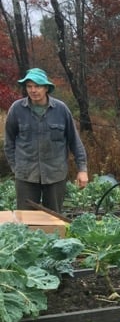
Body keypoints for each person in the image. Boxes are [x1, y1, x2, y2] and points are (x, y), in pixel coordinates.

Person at [4, 67, 89, 213]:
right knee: (26, 218)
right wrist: (15, 167)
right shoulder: (17, 109)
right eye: (29, 86)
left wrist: (82, 169)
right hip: (26, 176)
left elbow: (74, 141)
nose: (33, 90)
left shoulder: (61, 110)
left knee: (53, 217)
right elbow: (9, 142)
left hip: (55, 174)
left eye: (37, 86)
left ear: (46, 88)